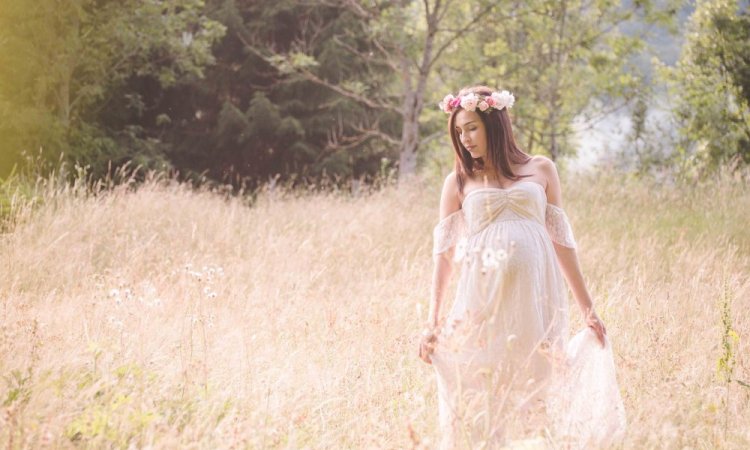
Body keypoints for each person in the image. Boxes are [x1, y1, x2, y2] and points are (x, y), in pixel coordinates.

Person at [418, 85, 626, 449]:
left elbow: (563, 242)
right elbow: (444, 255)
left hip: (536, 297)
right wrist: (432, 322)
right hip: (483, 301)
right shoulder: (459, 182)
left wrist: (588, 310)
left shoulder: (541, 169)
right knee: (483, 386)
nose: (464, 139)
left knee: (538, 383)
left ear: (494, 123)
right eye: (458, 132)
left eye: (471, 128)